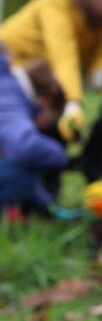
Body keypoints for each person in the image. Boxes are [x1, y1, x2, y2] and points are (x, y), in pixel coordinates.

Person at [0, 0, 102, 143]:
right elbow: (64, 55)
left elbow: (99, 62)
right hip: (12, 67)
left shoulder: (100, 24)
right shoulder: (56, 2)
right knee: (17, 134)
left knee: (49, 134)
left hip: (46, 81)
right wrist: (74, 102)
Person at [0, 56, 66, 210]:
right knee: (25, 175)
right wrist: (60, 155)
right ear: (47, 101)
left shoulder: (7, 86)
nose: (42, 126)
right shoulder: (11, 97)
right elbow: (25, 148)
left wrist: (46, 203)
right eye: (50, 119)